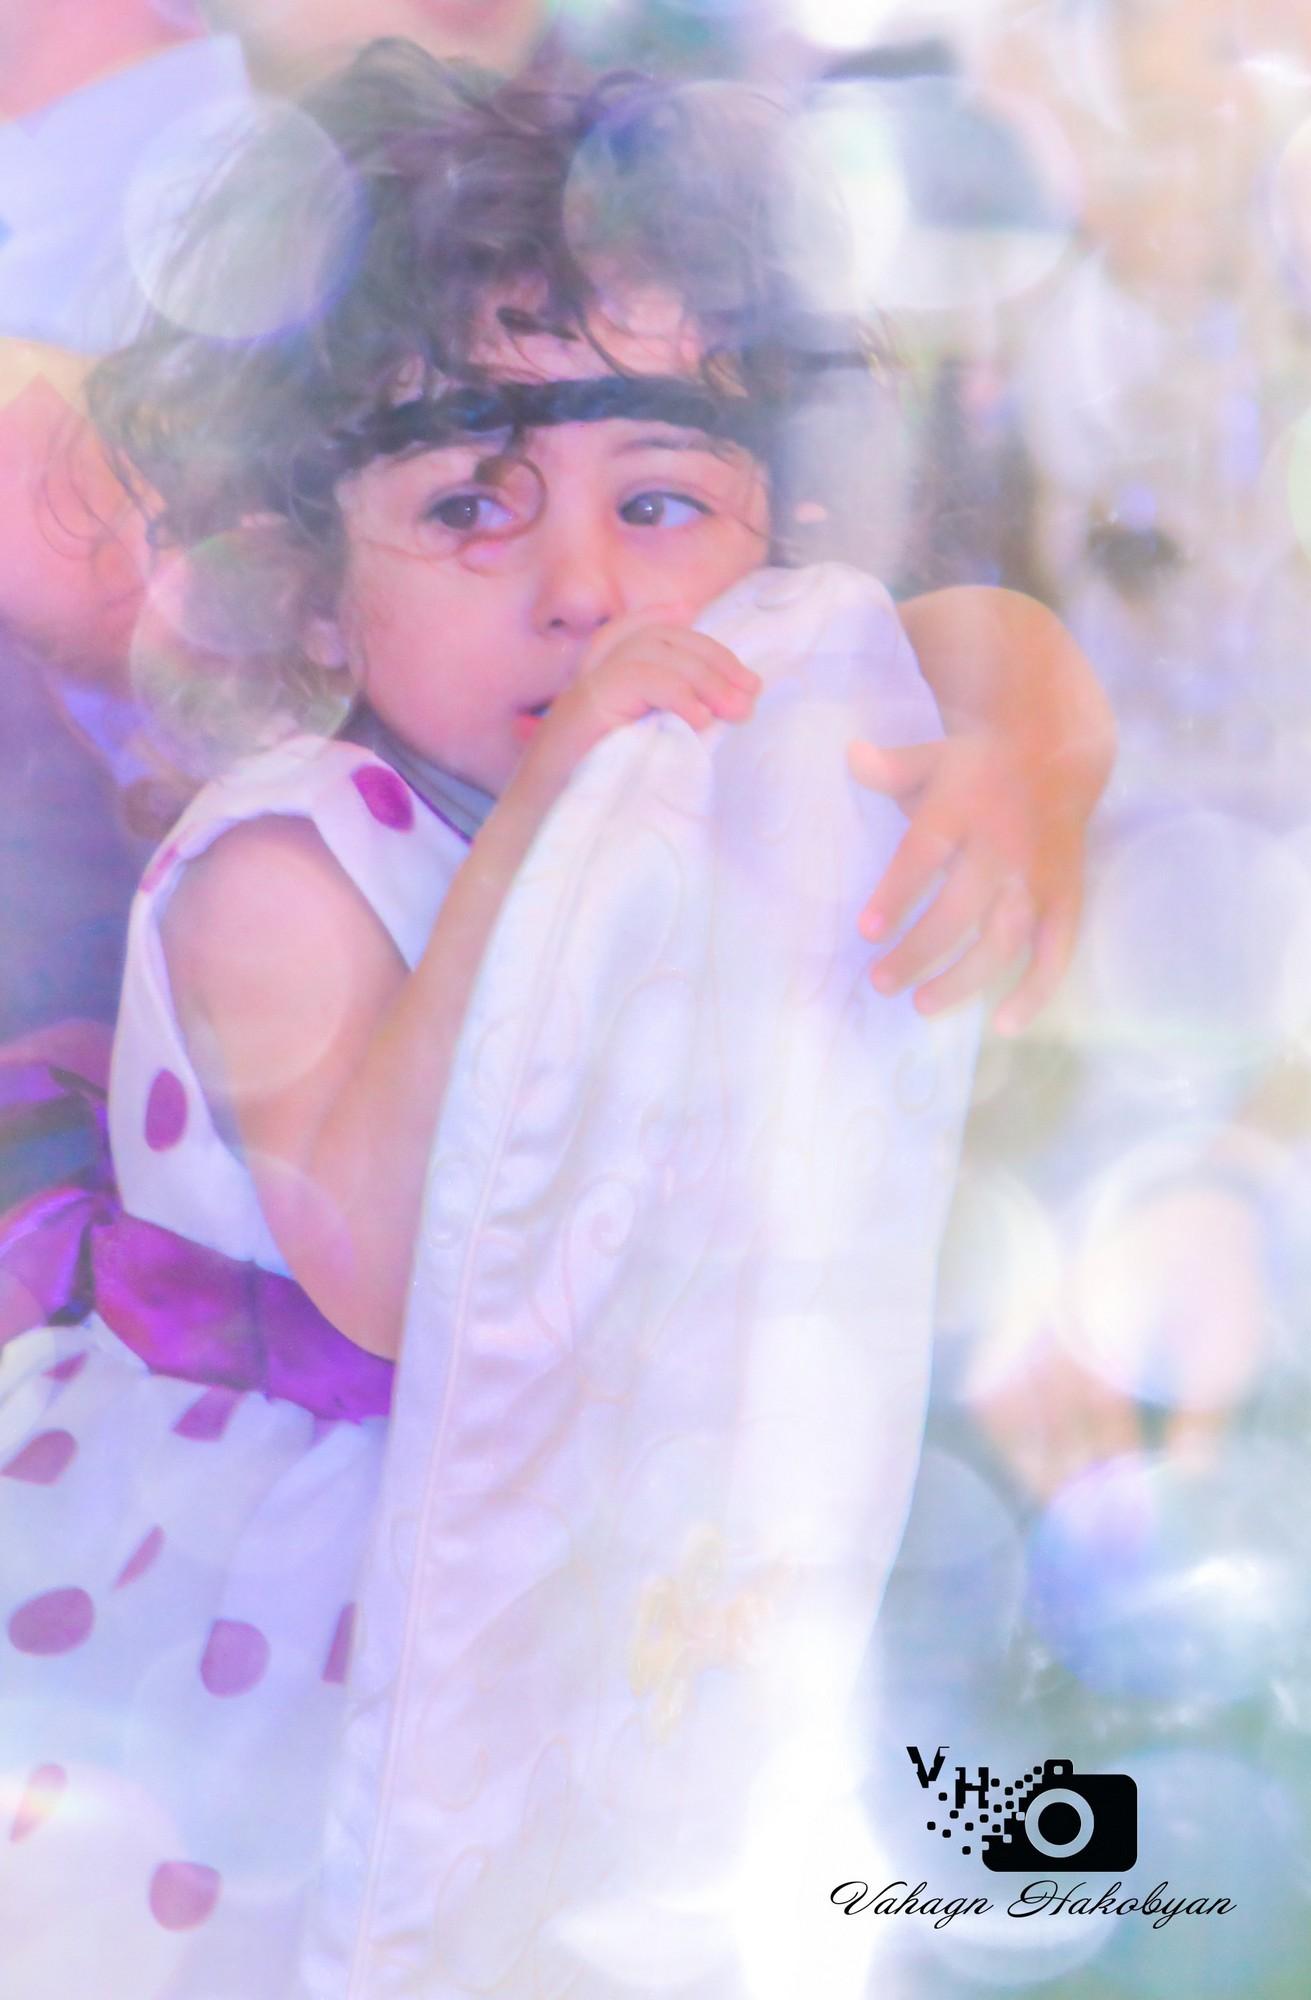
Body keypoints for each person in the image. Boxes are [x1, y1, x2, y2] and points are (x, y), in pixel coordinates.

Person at [0, 42, 1113, 1995]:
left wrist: (1020, 755)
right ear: (314, 588)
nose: (587, 588)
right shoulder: (284, 860)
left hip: (597, 1520)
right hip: (291, 1593)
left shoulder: (726, 730)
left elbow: (967, 635)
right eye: (469, 509)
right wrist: (544, 821)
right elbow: (390, 1268)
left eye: (660, 499)